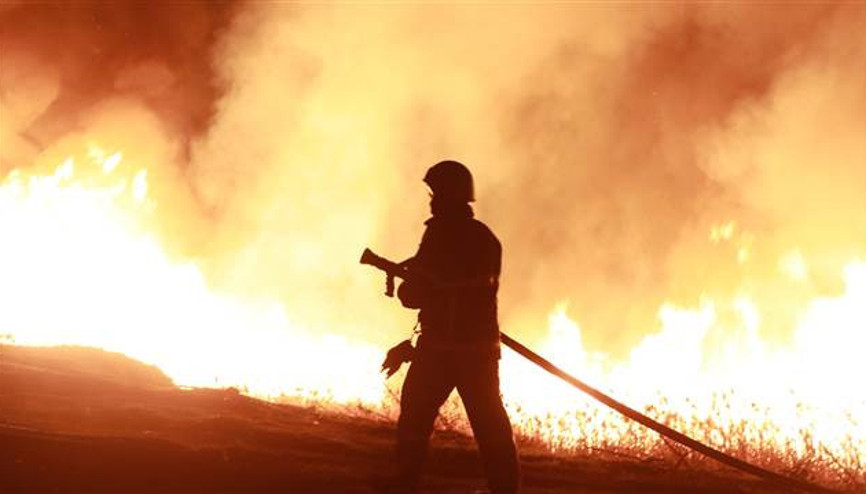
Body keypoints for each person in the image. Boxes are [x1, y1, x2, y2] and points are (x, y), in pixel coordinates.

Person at [392, 160, 519, 493]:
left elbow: (427, 290)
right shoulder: (449, 235)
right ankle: (403, 484)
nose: (431, 201)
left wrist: (422, 286)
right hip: (446, 347)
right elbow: (420, 288)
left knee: (485, 426)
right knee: (418, 419)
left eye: (436, 195)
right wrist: (418, 285)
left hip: (464, 352)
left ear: (451, 196)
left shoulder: (468, 239)